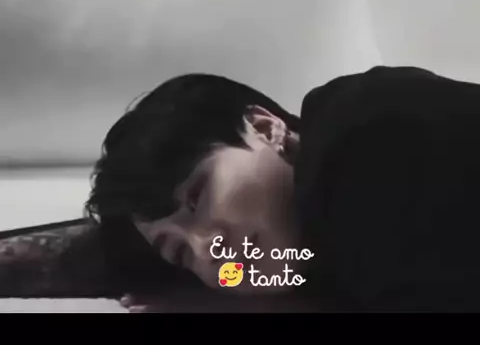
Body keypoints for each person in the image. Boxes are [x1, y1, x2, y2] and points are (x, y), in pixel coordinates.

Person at [86, 66, 480, 312]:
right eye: (180, 253)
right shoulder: (324, 247)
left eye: (197, 197)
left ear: (265, 128)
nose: (207, 251)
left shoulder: (363, 138)